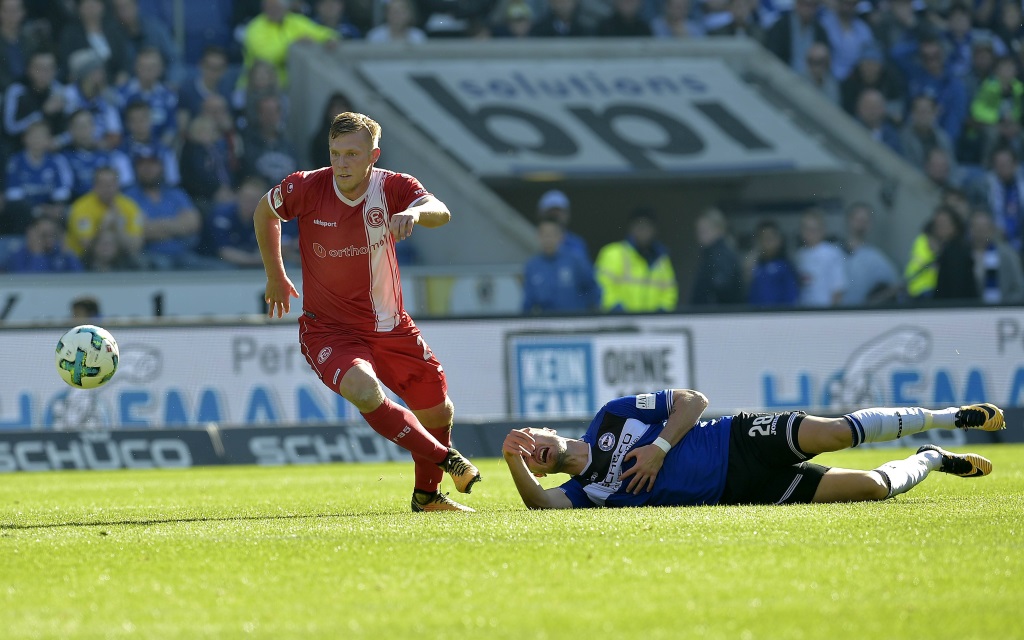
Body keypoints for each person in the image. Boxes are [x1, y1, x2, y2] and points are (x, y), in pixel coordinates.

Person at [254, 111, 481, 512]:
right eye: (335, 153)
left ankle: (426, 496)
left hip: (391, 327)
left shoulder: (392, 187)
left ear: (373, 155)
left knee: (438, 408)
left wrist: (413, 213)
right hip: (328, 331)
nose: (341, 163)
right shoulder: (306, 186)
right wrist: (275, 275)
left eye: (352, 154)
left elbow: (440, 210)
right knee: (363, 389)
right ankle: (448, 459)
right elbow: (264, 211)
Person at [501, 388, 1006, 510]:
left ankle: (948, 417)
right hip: (748, 489)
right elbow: (539, 506)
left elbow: (692, 401)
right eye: (528, 457)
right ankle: (934, 458)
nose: (533, 451)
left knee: (836, 432)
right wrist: (511, 463)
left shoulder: (611, 416)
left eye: (531, 440)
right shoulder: (584, 492)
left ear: (547, 428)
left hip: (739, 438)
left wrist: (656, 445)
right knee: (871, 488)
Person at [126, 151, 216, 271]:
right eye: (142, 164)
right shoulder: (129, 197)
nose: (148, 169)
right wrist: (176, 225)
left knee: (218, 269)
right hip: (150, 256)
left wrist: (156, 225)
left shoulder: (176, 193)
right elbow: (139, 231)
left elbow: (193, 224)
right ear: (136, 168)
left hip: (184, 255)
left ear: (161, 167)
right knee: (162, 267)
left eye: (153, 164)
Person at [594, 206, 678, 313]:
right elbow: (601, 288)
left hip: (654, 325)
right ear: (631, 228)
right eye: (639, 226)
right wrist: (616, 309)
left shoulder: (662, 259)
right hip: (620, 323)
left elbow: (670, 292)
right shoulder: (612, 253)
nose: (643, 231)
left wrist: (661, 312)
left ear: (654, 230)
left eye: (647, 227)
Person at [240, 0, 338, 88]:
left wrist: (329, 38)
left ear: (285, 7)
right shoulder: (255, 28)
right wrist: (294, 45)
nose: (273, 10)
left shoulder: (296, 21)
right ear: (264, 8)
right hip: (259, 86)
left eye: (277, 7)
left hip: (292, 85)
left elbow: (320, 32)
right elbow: (265, 56)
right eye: (270, 7)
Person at [521, 217, 601, 314]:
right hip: (547, 323)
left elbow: (592, 288)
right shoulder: (532, 266)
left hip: (576, 321)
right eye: (544, 235)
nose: (547, 239)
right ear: (538, 237)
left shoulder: (576, 261)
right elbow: (528, 301)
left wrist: (591, 314)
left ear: (561, 237)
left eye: (551, 235)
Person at [65, 165, 143, 260]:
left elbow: (135, 248)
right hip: (83, 262)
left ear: (118, 185)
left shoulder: (130, 207)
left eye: (111, 184)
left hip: (120, 261)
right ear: (94, 186)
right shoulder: (81, 208)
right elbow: (86, 248)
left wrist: (118, 228)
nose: (107, 189)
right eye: (103, 184)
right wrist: (103, 226)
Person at [841, 202, 900, 305]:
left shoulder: (875, 257)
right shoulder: (832, 252)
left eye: (865, 221)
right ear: (848, 220)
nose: (861, 224)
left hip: (858, 316)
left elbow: (897, 286)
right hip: (832, 315)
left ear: (869, 225)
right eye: (858, 220)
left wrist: (871, 304)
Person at [689, 207, 744, 305]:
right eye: (698, 231)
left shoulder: (720, 255)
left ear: (719, 230)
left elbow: (721, 287)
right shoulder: (710, 254)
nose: (699, 236)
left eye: (704, 231)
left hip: (716, 315)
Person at [970, 207, 1024, 304]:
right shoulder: (964, 255)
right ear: (971, 230)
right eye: (977, 228)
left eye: (983, 229)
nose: (980, 233)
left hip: (1002, 310)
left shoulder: (1008, 255)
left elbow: (1018, 288)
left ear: (991, 230)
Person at [795, 208, 846, 306]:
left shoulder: (832, 253)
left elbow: (838, 289)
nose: (809, 233)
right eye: (806, 228)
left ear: (822, 230)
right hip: (804, 312)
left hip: (825, 312)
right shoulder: (799, 255)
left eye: (813, 229)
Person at [763, 0, 828, 73]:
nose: (807, 9)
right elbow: (771, 57)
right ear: (797, 3)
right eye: (804, 4)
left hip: (810, 81)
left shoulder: (820, 32)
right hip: (782, 77)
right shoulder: (780, 27)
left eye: (812, 5)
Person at [746, 219, 799, 306]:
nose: (767, 242)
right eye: (763, 238)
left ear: (778, 240)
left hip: (778, 316)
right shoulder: (755, 266)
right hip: (756, 316)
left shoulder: (786, 267)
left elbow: (792, 297)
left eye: (770, 238)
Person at [2, 215, 82, 273]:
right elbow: (32, 285)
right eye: (44, 235)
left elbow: (80, 278)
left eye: (52, 235)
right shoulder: (18, 256)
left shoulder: (59, 252)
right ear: (31, 234)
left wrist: (68, 254)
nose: (49, 239)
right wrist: (37, 254)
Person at [535, 189, 587, 260]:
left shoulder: (576, 243)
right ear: (541, 214)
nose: (555, 216)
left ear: (567, 214)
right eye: (551, 212)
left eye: (559, 212)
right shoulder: (534, 240)